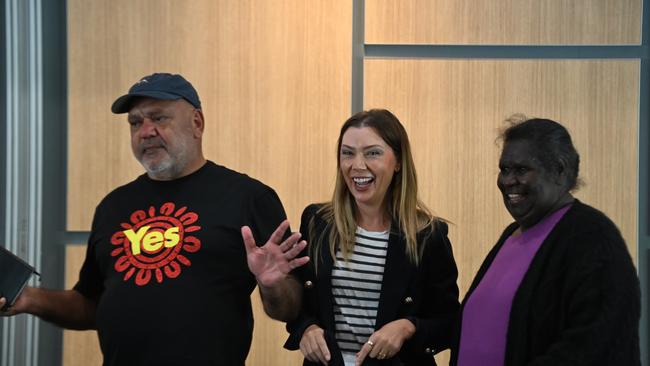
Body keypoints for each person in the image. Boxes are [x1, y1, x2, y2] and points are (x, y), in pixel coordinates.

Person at [0, 73, 307, 366]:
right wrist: (30, 299)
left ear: (197, 123)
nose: (145, 131)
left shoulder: (247, 197)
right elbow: (91, 305)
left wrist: (273, 284)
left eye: (159, 118)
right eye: (135, 122)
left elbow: (289, 307)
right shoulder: (113, 206)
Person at [451, 117, 641, 366]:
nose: (508, 181)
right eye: (504, 169)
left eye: (521, 170)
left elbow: (595, 343)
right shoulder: (511, 235)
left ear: (560, 170)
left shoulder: (593, 237)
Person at [282, 109, 460, 366]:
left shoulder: (427, 234)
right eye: (348, 153)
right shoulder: (317, 222)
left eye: (373, 153)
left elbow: (448, 321)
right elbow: (298, 304)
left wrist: (408, 327)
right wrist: (306, 329)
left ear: (398, 161)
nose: (357, 165)